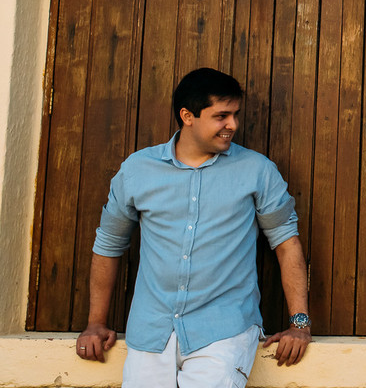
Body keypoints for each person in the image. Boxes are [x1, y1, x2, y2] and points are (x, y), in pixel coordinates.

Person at [74, 67, 312, 386]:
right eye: (221, 116)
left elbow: (287, 244)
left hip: (224, 331)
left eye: (235, 115)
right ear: (188, 115)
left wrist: (299, 323)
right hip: (151, 332)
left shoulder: (257, 171)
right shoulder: (137, 171)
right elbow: (108, 245)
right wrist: (95, 323)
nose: (233, 125)